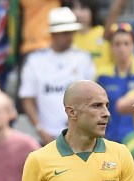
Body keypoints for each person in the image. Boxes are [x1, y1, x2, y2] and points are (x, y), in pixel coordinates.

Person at [19, 7, 95, 145]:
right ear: (53, 34)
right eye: (65, 33)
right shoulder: (35, 61)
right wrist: (40, 129)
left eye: (72, 32)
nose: (70, 37)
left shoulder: (84, 59)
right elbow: (28, 99)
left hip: (78, 133)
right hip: (46, 135)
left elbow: (91, 97)